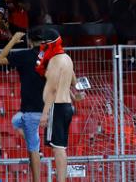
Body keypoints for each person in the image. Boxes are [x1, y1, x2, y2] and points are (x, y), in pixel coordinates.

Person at [35, 27, 83, 182]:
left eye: (43, 42)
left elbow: (53, 89)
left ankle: (61, 180)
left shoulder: (55, 60)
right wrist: (76, 96)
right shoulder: (67, 58)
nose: (41, 45)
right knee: (60, 146)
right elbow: (73, 81)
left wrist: (45, 113)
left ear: (49, 43)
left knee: (58, 148)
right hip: (67, 106)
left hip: (57, 106)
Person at [0, 31, 45, 182]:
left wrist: (13, 40)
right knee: (16, 121)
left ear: (29, 42)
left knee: (33, 150)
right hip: (49, 108)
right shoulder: (50, 57)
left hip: (32, 111)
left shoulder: (25, 55)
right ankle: (36, 146)